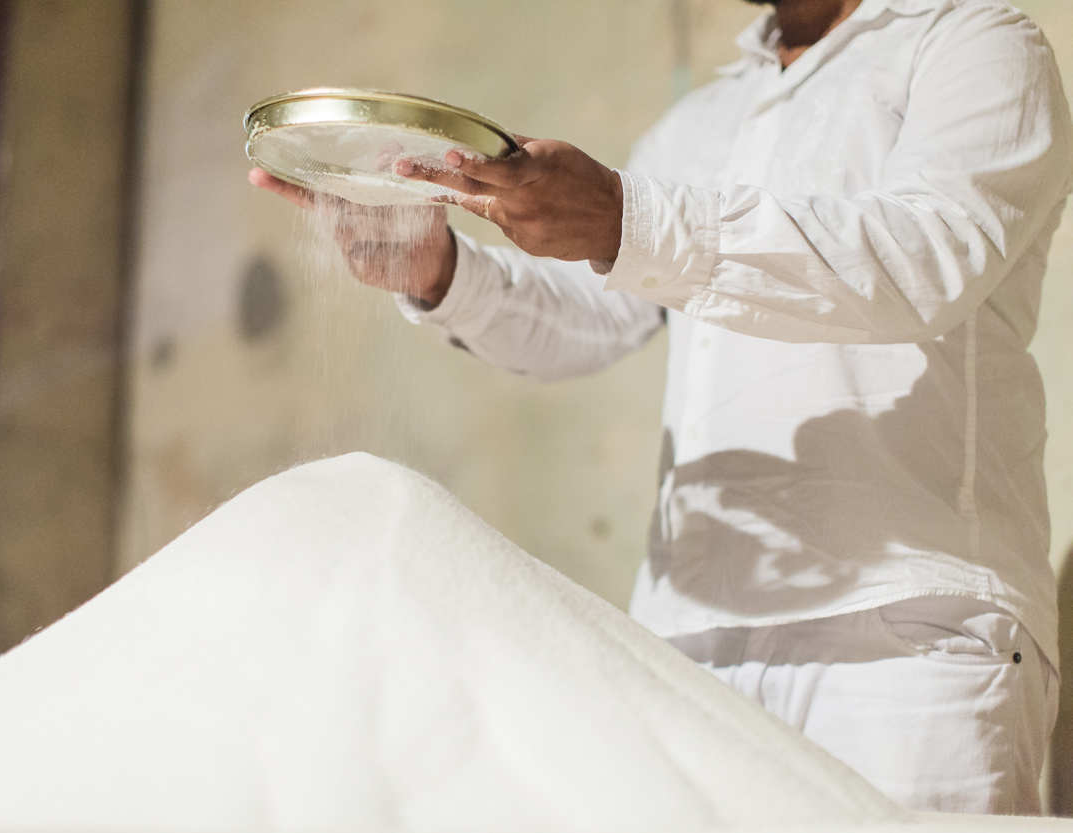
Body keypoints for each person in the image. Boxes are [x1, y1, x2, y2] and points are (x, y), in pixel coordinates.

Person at [250, 0, 1072, 815]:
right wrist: (439, 271)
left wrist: (622, 216)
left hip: (910, 635)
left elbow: (925, 257)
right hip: (689, 648)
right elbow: (591, 316)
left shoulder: (973, 41)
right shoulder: (699, 122)